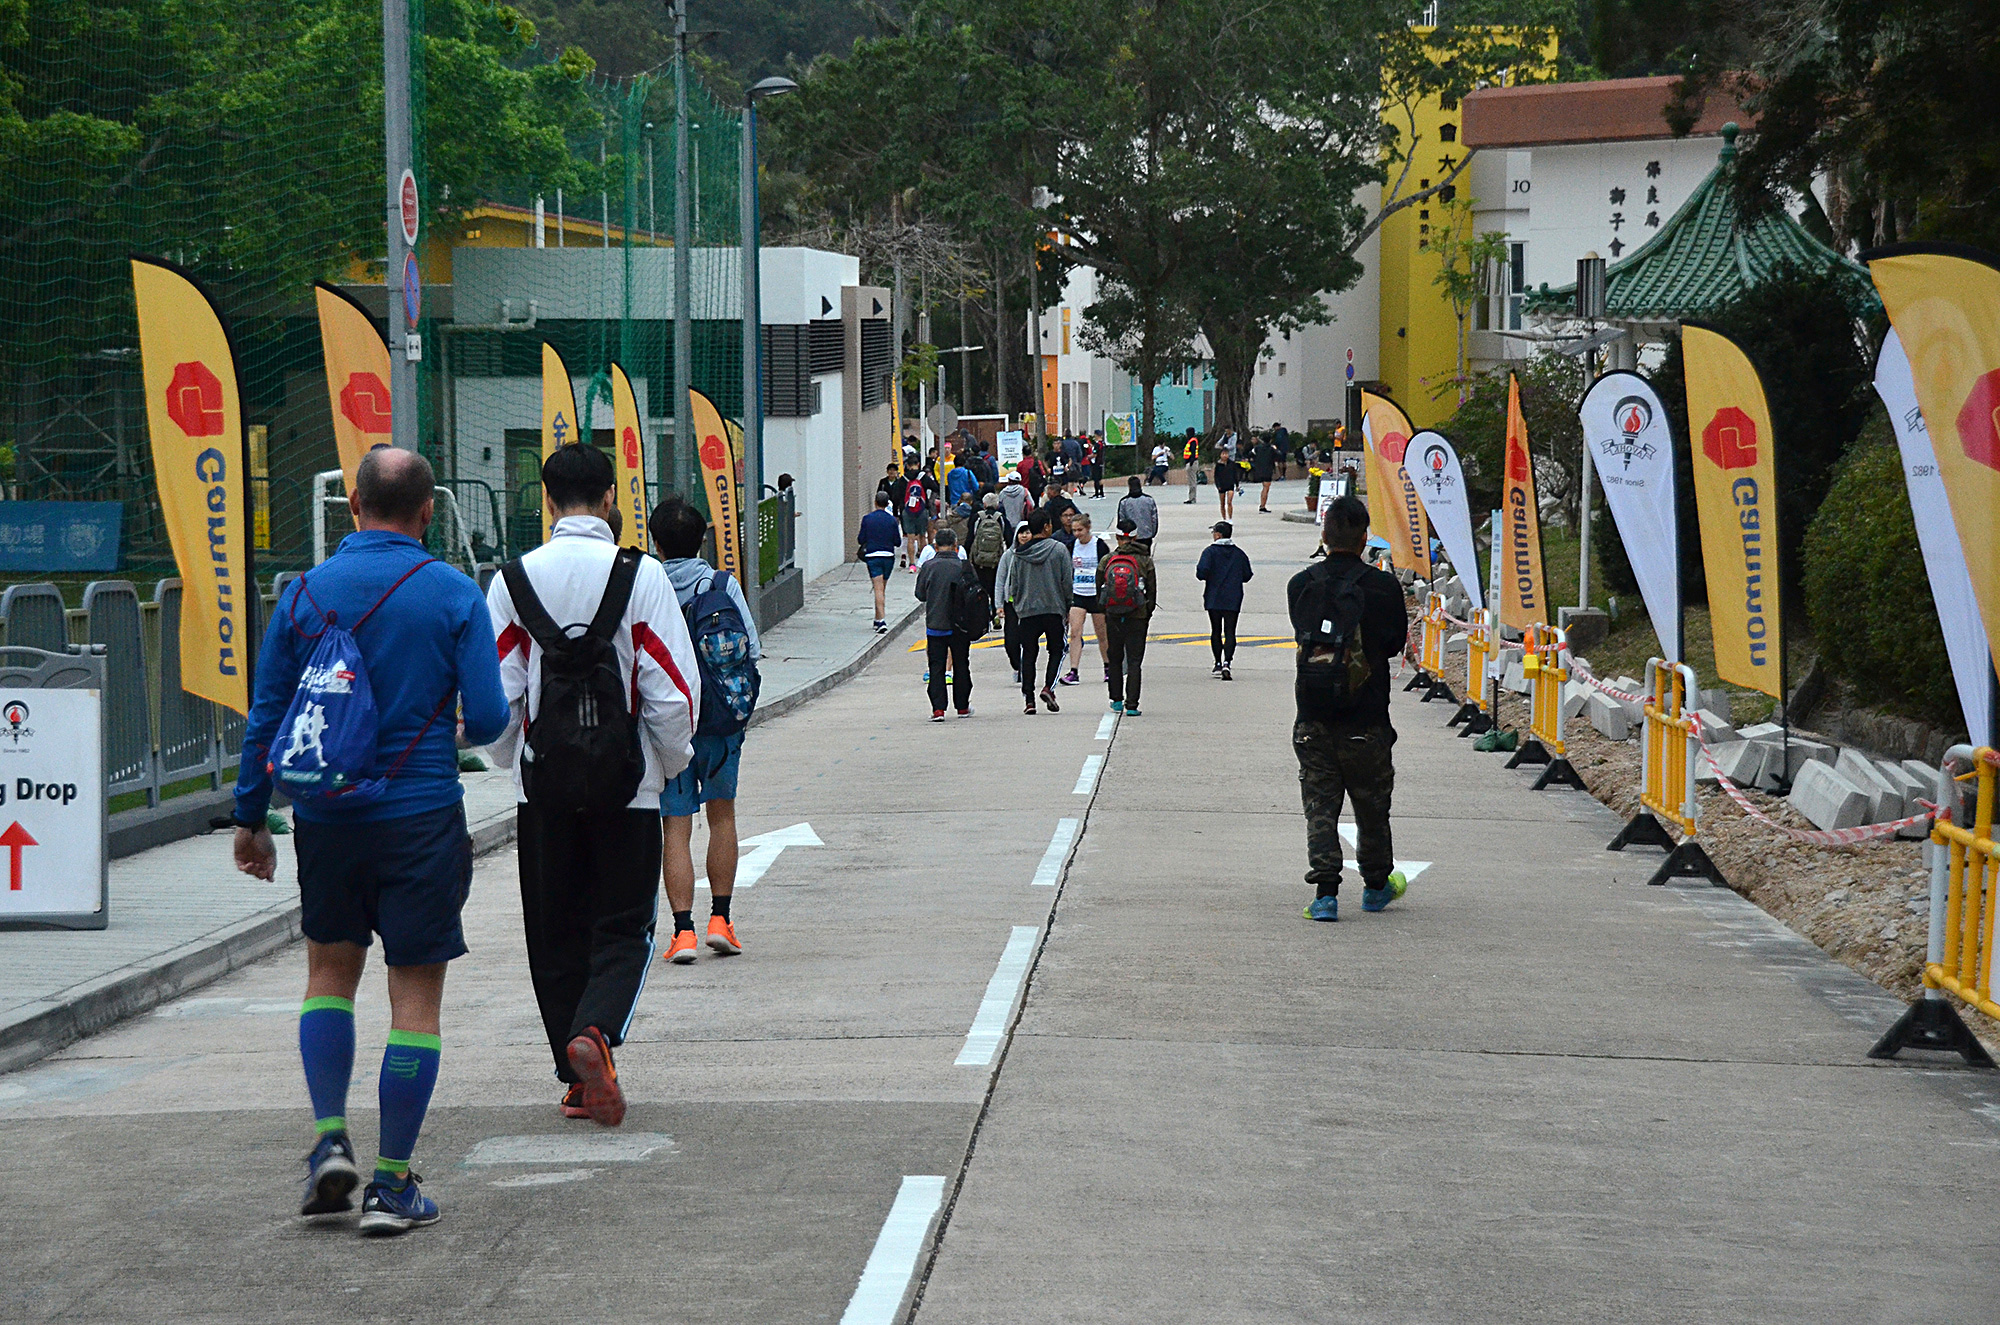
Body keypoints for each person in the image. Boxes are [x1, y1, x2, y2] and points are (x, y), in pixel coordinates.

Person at [234, 448, 508, 1236]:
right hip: (421, 818)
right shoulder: (453, 592)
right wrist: (448, 726)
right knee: (414, 996)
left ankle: (329, 1139)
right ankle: (391, 1184)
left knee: (329, 973)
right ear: (428, 511)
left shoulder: (303, 593)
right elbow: (491, 718)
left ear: (352, 505)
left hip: (327, 821)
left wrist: (250, 817)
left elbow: (268, 716)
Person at [488, 444, 699, 1126]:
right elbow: (671, 688)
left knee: (553, 931)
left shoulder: (513, 580)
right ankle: (597, 1033)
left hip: (543, 786)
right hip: (626, 784)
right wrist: (671, 762)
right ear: (611, 498)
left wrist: (513, 758)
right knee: (624, 925)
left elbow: (498, 695)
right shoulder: (642, 576)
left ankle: (575, 1074)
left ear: (547, 502)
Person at [650, 498, 763, 966]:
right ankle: (721, 920)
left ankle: (682, 933)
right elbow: (751, 650)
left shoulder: (647, 586)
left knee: (676, 827)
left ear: (656, 542)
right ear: (702, 541)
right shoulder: (721, 584)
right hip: (719, 722)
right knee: (722, 817)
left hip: (668, 725)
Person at [1289, 495, 1410, 923]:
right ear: (1364, 539)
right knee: (1372, 806)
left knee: (1320, 806)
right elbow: (1394, 644)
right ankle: (1376, 887)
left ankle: (1325, 895)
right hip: (1367, 715)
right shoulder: (1383, 587)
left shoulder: (1301, 584)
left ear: (1324, 536)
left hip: (1313, 714)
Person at [1003, 507, 1072, 714]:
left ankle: (1029, 700)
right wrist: (1067, 606)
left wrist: (1018, 605)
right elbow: (1067, 581)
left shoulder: (1019, 554)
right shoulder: (1059, 550)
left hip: (1027, 611)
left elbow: (1013, 584)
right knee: (1057, 649)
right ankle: (1049, 687)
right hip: (1053, 608)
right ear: (1046, 527)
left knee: (1028, 654)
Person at [915, 527, 980, 720]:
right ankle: (962, 707)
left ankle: (938, 709)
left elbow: (920, 594)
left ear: (935, 546)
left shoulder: (928, 567)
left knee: (936, 667)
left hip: (936, 625)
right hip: (960, 626)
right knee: (961, 664)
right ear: (955, 546)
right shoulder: (964, 567)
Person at [1099, 516, 1157, 716]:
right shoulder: (1145, 560)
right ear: (1136, 537)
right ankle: (1132, 704)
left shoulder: (1108, 560)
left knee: (1114, 657)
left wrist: (1106, 609)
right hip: (1137, 616)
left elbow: (1099, 588)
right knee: (1134, 660)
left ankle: (1116, 700)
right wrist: (1146, 613)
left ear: (1117, 537)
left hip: (1113, 615)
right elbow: (1152, 591)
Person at [1196, 519, 1253, 680]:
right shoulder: (1239, 554)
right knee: (1230, 631)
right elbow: (1247, 575)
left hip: (1214, 596)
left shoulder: (1209, 552)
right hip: (1233, 596)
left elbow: (1201, 573)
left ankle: (1218, 663)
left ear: (1218, 535)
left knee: (1216, 630)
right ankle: (1228, 661)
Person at [1061, 512, 1111, 686]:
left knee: (1102, 634)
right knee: (1075, 633)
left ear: (1088, 528)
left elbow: (1107, 567)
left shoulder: (1099, 545)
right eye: (1074, 530)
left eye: (1080, 530)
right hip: (1078, 594)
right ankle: (1073, 671)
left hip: (1096, 595)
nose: (1077, 534)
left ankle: (1108, 667)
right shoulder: (1071, 546)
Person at [858, 492, 900, 633]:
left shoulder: (867, 519)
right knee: (882, 588)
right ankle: (877, 618)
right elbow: (897, 542)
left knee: (878, 588)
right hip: (888, 556)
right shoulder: (892, 520)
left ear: (875, 502)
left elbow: (860, 539)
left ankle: (881, 620)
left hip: (873, 556)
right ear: (887, 504)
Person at [996, 522, 1033, 683]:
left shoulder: (1036, 553)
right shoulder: (1008, 555)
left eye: (1028, 532)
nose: (1024, 536)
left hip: (1030, 604)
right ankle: (1017, 666)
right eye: (1021, 532)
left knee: (1028, 640)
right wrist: (999, 605)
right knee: (1011, 641)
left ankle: (1026, 670)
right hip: (1011, 604)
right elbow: (1000, 580)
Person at [968, 491, 1010, 610]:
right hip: (996, 560)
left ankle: (982, 612)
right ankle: (995, 612)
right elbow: (1009, 539)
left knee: (981, 588)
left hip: (979, 560)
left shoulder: (977, 518)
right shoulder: (1001, 519)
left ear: (984, 504)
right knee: (994, 587)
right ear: (997, 505)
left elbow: (970, 538)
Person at [898, 462, 937, 570]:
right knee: (922, 536)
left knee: (910, 538)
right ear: (918, 464)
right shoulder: (924, 477)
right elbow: (935, 487)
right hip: (922, 510)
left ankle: (912, 563)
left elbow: (896, 495)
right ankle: (923, 562)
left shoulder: (903, 479)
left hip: (907, 511)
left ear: (908, 466)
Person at [1116, 474, 1159, 548]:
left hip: (1130, 536)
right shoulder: (1149, 500)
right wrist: (1153, 533)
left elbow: (1121, 521)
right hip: (1146, 535)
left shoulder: (1124, 502)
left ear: (1129, 486)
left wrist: (1123, 536)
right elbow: (1154, 519)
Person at [1251, 433, 1279, 513]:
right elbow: (1279, 455)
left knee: (1264, 487)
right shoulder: (1271, 448)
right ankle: (1262, 506)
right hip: (1268, 469)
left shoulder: (1257, 448)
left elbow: (1251, 454)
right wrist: (1275, 449)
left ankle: (1262, 505)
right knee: (1266, 488)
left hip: (1259, 469)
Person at [1213, 446, 1240, 520]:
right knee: (1222, 503)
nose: (1225, 456)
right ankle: (1224, 518)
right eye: (1223, 454)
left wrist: (1237, 485)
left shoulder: (1232, 463)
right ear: (1220, 455)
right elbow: (1216, 476)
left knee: (1229, 502)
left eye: (1226, 454)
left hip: (1230, 484)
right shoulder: (1218, 465)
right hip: (1221, 485)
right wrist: (1218, 485)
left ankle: (1230, 518)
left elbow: (1235, 474)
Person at [1181, 428, 1201, 504]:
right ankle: (1191, 497)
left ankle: (1192, 498)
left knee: (1192, 482)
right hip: (1190, 462)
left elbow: (1193, 453)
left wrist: (1190, 463)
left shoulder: (1193, 441)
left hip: (1192, 463)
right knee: (1191, 481)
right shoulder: (1191, 441)